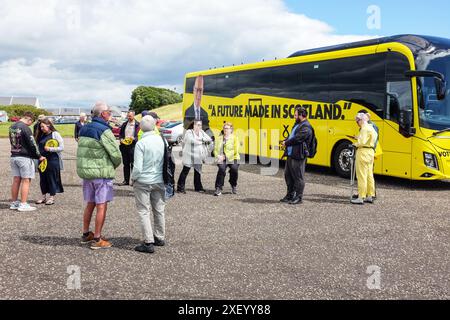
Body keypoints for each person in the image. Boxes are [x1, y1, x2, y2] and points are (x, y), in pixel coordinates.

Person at [77, 102, 122, 250]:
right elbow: (115, 154)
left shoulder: (84, 128)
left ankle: (86, 234)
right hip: (101, 173)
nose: (110, 114)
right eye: (108, 112)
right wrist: (112, 166)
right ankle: (97, 237)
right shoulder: (104, 130)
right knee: (101, 205)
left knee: (90, 203)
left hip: (87, 173)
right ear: (103, 114)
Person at [131, 115, 166, 254]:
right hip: (159, 179)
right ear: (154, 125)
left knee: (144, 211)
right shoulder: (162, 140)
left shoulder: (141, 143)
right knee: (159, 209)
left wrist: (133, 179)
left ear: (140, 128)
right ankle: (160, 237)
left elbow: (138, 167)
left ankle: (148, 241)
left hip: (143, 181)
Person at [9, 112, 46, 212]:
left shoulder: (12, 126)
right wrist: (39, 156)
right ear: (29, 119)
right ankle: (23, 204)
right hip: (24, 157)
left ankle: (14, 203)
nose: (30, 124)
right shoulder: (25, 128)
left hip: (14, 156)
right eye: (31, 122)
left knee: (16, 180)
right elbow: (32, 144)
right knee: (26, 180)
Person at [281, 107, 313, 205]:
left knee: (298, 177)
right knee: (288, 175)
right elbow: (292, 135)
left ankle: (299, 197)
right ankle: (290, 195)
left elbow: (298, 139)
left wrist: (286, 143)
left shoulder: (306, 127)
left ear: (301, 115)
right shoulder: (298, 124)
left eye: (295, 115)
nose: (294, 117)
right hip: (291, 154)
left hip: (298, 155)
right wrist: (285, 140)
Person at [35, 118, 65, 205]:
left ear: (48, 125)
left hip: (52, 160)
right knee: (43, 179)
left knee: (52, 178)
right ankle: (43, 197)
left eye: (43, 127)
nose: (41, 129)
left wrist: (50, 149)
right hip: (42, 160)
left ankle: (52, 197)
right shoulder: (41, 135)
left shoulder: (55, 134)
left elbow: (62, 147)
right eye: (40, 127)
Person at [177, 120, 212, 194]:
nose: (199, 127)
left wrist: (201, 140)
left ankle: (198, 187)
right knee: (185, 171)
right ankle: (180, 188)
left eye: (200, 125)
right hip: (189, 154)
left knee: (198, 171)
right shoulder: (189, 132)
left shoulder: (202, 132)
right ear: (193, 125)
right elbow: (191, 141)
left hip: (198, 155)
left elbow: (209, 139)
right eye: (198, 125)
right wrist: (203, 141)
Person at [351, 113, 378, 205]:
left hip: (363, 152)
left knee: (361, 175)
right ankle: (370, 195)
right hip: (370, 152)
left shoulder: (364, 128)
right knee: (369, 175)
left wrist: (355, 144)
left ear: (361, 120)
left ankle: (361, 197)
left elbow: (361, 142)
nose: (357, 123)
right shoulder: (371, 128)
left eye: (357, 121)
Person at [213, 122, 240, 196]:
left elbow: (236, 150)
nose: (225, 130)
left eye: (227, 128)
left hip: (233, 157)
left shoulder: (235, 138)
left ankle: (233, 185)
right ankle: (218, 188)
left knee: (234, 169)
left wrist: (225, 156)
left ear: (231, 129)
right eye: (224, 128)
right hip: (221, 158)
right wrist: (218, 156)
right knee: (221, 169)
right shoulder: (219, 138)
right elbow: (215, 150)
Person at [119, 111, 140, 186]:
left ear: (134, 116)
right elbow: (120, 134)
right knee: (125, 164)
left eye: (130, 116)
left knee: (133, 164)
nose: (128, 118)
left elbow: (139, 135)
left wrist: (134, 138)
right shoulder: (124, 124)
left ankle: (134, 181)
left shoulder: (138, 124)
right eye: (128, 116)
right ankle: (126, 180)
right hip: (124, 146)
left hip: (133, 146)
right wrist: (121, 139)